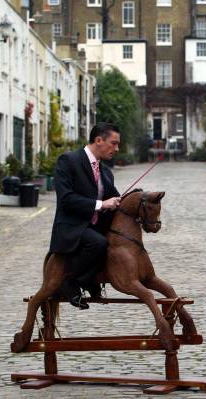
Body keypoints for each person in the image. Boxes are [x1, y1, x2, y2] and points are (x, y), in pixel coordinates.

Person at [50, 122, 122, 310]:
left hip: (94, 227)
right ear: (99, 140)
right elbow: (66, 199)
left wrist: (136, 201)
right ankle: (70, 282)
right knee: (98, 243)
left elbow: (115, 198)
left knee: (116, 243)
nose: (117, 148)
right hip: (72, 227)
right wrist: (100, 204)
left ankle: (90, 280)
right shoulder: (68, 160)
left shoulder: (105, 171)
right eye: (113, 143)